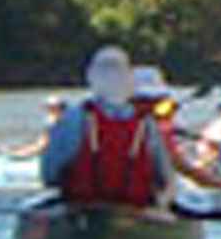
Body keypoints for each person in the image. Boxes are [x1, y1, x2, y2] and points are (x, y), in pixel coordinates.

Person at [40, 46, 176, 207]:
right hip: (135, 210)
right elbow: (165, 179)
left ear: (92, 78)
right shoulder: (146, 124)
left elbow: (49, 176)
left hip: (80, 208)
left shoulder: (72, 117)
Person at [6, 94, 66, 158]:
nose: (48, 108)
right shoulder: (51, 118)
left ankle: (22, 152)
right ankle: (20, 150)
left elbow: (48, 140)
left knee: (36, 146)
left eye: (51, 106)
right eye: (48, 107)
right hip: (46, 144)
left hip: (52, 147)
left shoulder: (60, 118)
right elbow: (45, 136)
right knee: (31, 145)